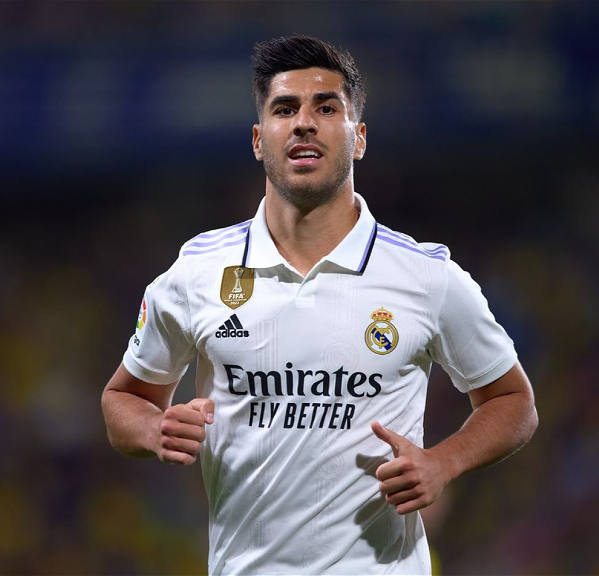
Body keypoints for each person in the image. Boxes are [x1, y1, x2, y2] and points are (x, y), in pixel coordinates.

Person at [101, 34, 538, 576]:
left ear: (359, 138)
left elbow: (514, 401)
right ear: (259, 139)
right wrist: (153, 429)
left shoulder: (427, 276)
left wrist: (443, 462)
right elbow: (123, 399)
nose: (304, 122)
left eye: (326, 108)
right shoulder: (198, 271)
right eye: (285, 109)